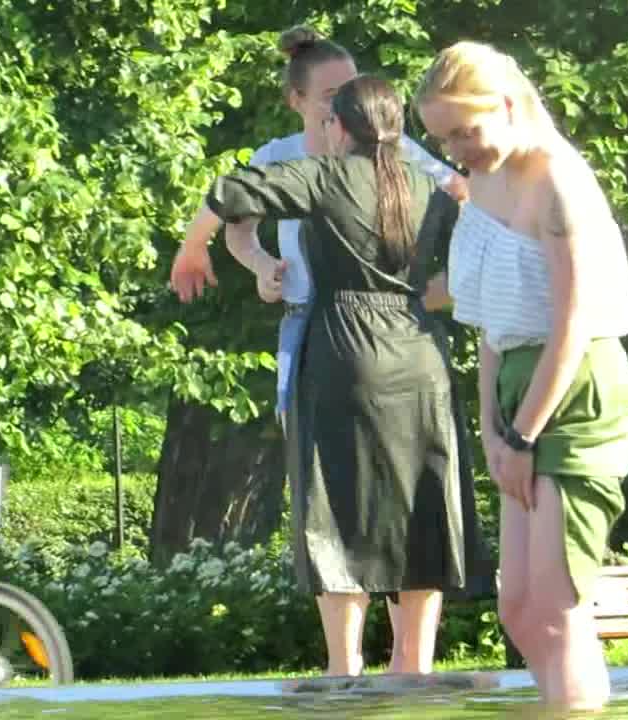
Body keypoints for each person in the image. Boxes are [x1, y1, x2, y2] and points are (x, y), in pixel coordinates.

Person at [169, 25, 485, 674]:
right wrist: (439, 292)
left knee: (338, 504)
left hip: (343, 349)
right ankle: (414, 667)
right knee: (421, 502)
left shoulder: (322, 176)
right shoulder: (424, 182)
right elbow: (483, 230)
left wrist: (191, 246)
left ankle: (345, 668)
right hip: (419, 353)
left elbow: (228, 194)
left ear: (339, 127)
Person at [417, 42, 628, 709]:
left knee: (554, 604)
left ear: (509, 105)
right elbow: (491, 322)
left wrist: (521, 435)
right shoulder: (483, 184)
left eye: (466, 131)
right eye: (444, 139)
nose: (459, 151)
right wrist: (493, 430)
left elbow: (573, 325)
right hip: (517, 387)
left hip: (578, 388)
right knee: (517, 609)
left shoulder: (558, 182)